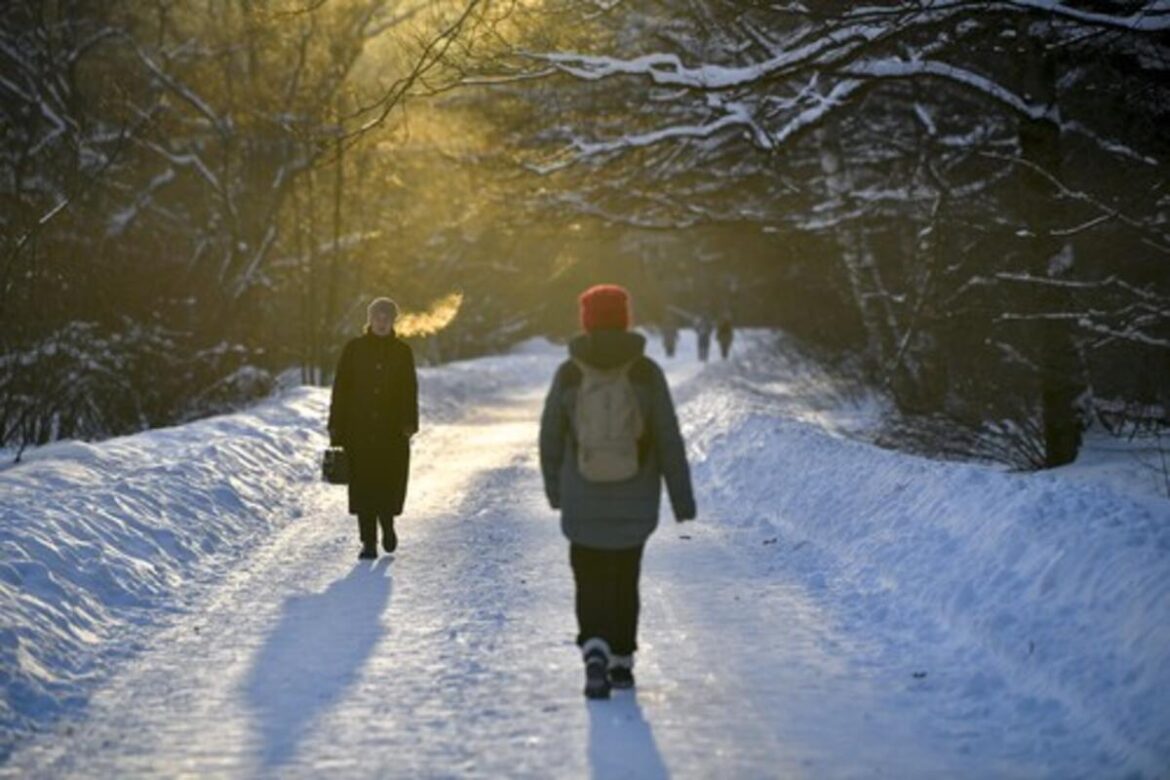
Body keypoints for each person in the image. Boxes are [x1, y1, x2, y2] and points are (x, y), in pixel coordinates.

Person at [539, 284, 696, 699]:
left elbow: (550, 437)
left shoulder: (571, 372)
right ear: (624, 318)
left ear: (586, 319)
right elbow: (668, 436)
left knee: (588, 577)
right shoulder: (645, 372)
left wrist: (557, 491)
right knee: (625, 579)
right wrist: (681, 498)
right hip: (636, 497)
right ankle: (622, 663)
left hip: (582, 497)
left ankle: (594, 649)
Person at [328, 297, 419, 560]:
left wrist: (409, 422)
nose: (381, 322)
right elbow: (341, 389)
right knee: (363, 487)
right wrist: (336, 425)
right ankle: (368, 542)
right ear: (369, 319)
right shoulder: (353, 349)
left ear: (393, 321)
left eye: (386, 317)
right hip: (359, 430)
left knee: (388, 483)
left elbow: (409, 390)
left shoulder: (403, 352)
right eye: (377, 316)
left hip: (392, 432)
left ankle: (388, 526)